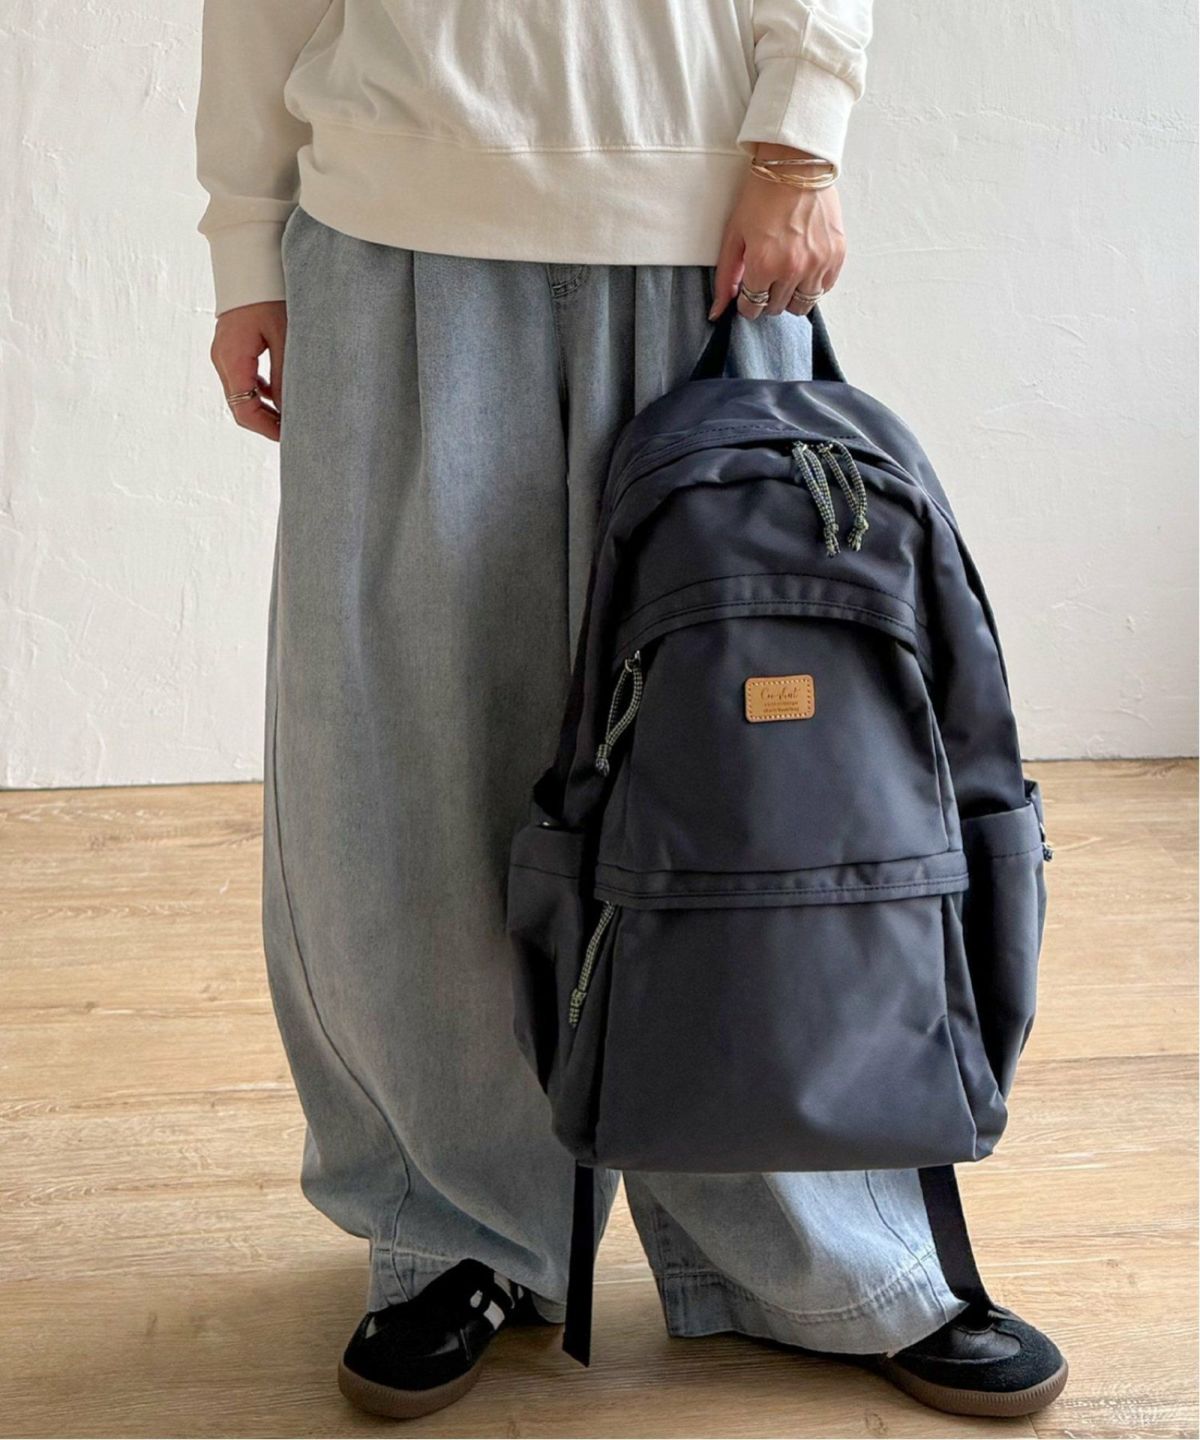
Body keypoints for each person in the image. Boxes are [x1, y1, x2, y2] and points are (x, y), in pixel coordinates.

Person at [195, 1, 1067, 1421]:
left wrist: (801, 141)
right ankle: (458, 1231)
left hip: (701, 233)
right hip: (389, 219)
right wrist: (247, 237)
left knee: (757, 789)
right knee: (404, 776)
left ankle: (823, 1251)